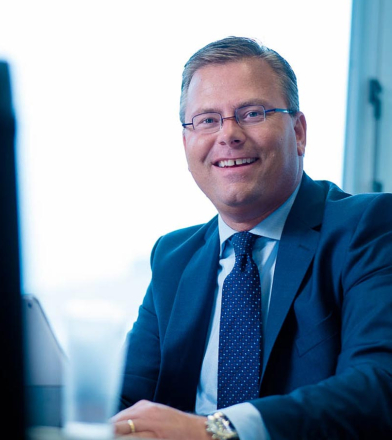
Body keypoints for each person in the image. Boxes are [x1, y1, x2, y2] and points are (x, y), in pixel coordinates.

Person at [111, 36, 392, 439]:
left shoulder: (369, 227)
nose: (228, 134)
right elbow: (124, 400)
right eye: (207, 120)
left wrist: (217, 431)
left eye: (252, 113)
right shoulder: (173, 256)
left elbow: (378, 385)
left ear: (298, 132)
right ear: (187, 143)